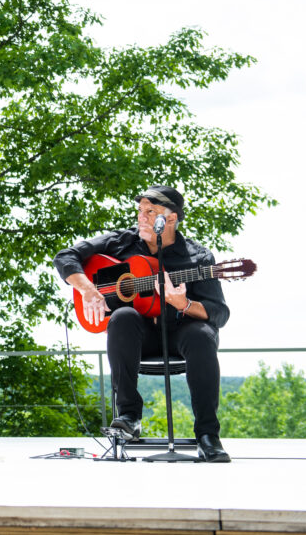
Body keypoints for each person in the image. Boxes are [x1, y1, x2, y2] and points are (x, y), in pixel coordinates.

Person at [53, 185, 231, 463]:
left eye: (151, 212)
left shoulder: (199, 258)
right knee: (122, 317)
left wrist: (184, 304)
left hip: (182, 333)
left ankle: (208, 435)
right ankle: (129, 417)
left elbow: (220, 313)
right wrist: (87, 288)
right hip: (138, 337)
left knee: (202, 334)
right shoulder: (121, 242)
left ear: (170, 219)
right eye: (140, 211)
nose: (142, 218)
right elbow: (65, 256)